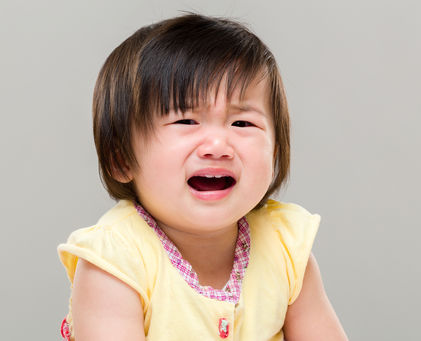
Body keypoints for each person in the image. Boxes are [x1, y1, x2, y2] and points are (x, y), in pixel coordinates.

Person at [58, 13, 348, 341]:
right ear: (121, 157)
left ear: (275, 152)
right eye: (186, 121)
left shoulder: (286, 249)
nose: (217, 146)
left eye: (242, 124)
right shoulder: (116, 261)